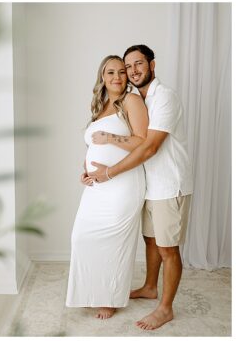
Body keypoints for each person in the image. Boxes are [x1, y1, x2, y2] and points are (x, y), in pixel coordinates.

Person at [87, 45, 194, 330]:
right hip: (148, 184)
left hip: (170, 185)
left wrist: (108, 172)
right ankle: (149, 287)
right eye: (127, 66)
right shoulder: (136, 98)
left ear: (152, 65)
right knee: (150, 240)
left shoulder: (164, 97)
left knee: (168, 248)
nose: (132, 71)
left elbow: (149, 147)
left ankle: (165, 308)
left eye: (138, 64)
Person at [67, 55, 149, 319]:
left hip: (122, 182)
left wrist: (110, 138)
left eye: (121, 72)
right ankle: (92, 292)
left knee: (114, 241)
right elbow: (93, 145)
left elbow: (142, 141)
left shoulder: (131, 100)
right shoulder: (100, 105)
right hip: (97, 184)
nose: (117, 77)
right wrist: (86, 169)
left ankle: (109, 297)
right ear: (102, 77)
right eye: (110, 72)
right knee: (81, 237)